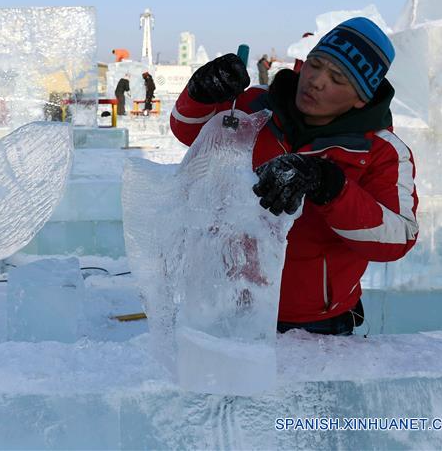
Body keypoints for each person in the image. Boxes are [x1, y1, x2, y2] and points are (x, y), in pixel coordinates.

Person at [169, 17, 418, 336]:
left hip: (317, 326)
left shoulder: (382, 151)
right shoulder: (255, 105)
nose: (316, 81)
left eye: (337, 78)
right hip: (228, 305)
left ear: (362, 98)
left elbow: (398, 238)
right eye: (314, 64)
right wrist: (201, 92)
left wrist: (329, 186)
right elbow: (188, 130)